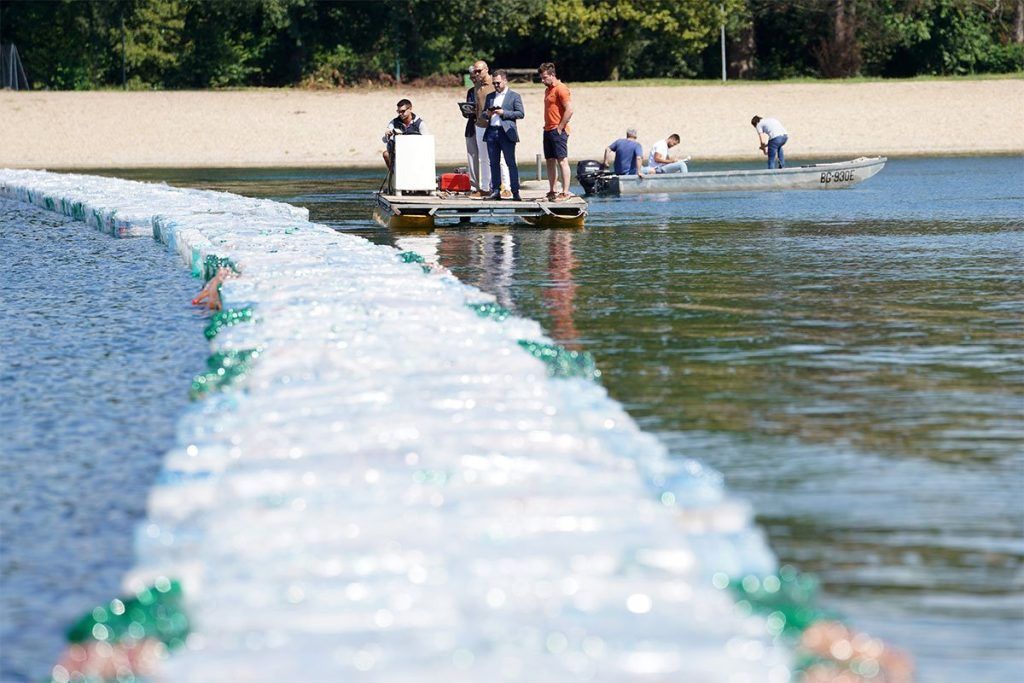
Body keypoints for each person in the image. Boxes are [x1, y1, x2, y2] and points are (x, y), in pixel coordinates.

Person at [465, 60, 510, 197]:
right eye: (475, 71)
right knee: (483, 158)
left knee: (500, 157)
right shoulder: (476, 85)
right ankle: (485, 188)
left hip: (494, 125)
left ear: (486, 69)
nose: (477, 74)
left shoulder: (495, 83)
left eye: (479, 71)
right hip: (479, 125)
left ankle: (506, 187)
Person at [481, 70, 524, 201]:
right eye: (494, 83)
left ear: (505, 81)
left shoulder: (514, 96)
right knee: (493, 163)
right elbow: (483, 114)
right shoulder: (490, 96)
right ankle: (495, 191)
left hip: (506, 133)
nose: (496, 85)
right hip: (492, 132)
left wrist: (503, 112)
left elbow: (520, 113)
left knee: (510, 162)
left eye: (498, 83)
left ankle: (515, 191)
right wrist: (487, 114)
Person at [538, 62, 574, 201]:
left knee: (562, 160)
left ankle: (565, 192)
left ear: (552, 75)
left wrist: (560, 127)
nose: (542, 80)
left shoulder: (561, 89)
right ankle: (552, 190)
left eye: (545, 77)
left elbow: (569, 109)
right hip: (547, 129)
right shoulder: (548, 89)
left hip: (558, 130)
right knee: (550, 160)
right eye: (541, 78)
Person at [381, 98, 428, 170]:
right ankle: (392, 172)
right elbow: (385, 139)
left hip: (415, 153)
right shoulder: (393, 123)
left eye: (403, 111)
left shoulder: (420, 124)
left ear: (410, 109)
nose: (400, 114)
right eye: (398, 111)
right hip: (398, 153)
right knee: (385, 154)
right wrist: (387, 134)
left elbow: (426, 142)